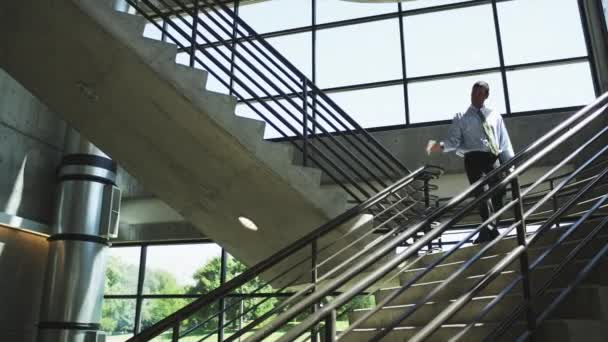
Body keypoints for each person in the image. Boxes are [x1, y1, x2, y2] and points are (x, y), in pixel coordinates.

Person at [428, 81, 514, 244]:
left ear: (486, 96)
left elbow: (504, 142)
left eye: (479, 94)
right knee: (481, 193)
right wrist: (438, 146)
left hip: (494, 158)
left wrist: (510, 164)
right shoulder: (462, 116)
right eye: (473, 93)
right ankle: (488, 230)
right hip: (474, 158)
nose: (475, 96)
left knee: (499, 193)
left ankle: (488, 231)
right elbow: (453, 141)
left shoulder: (495, 115)